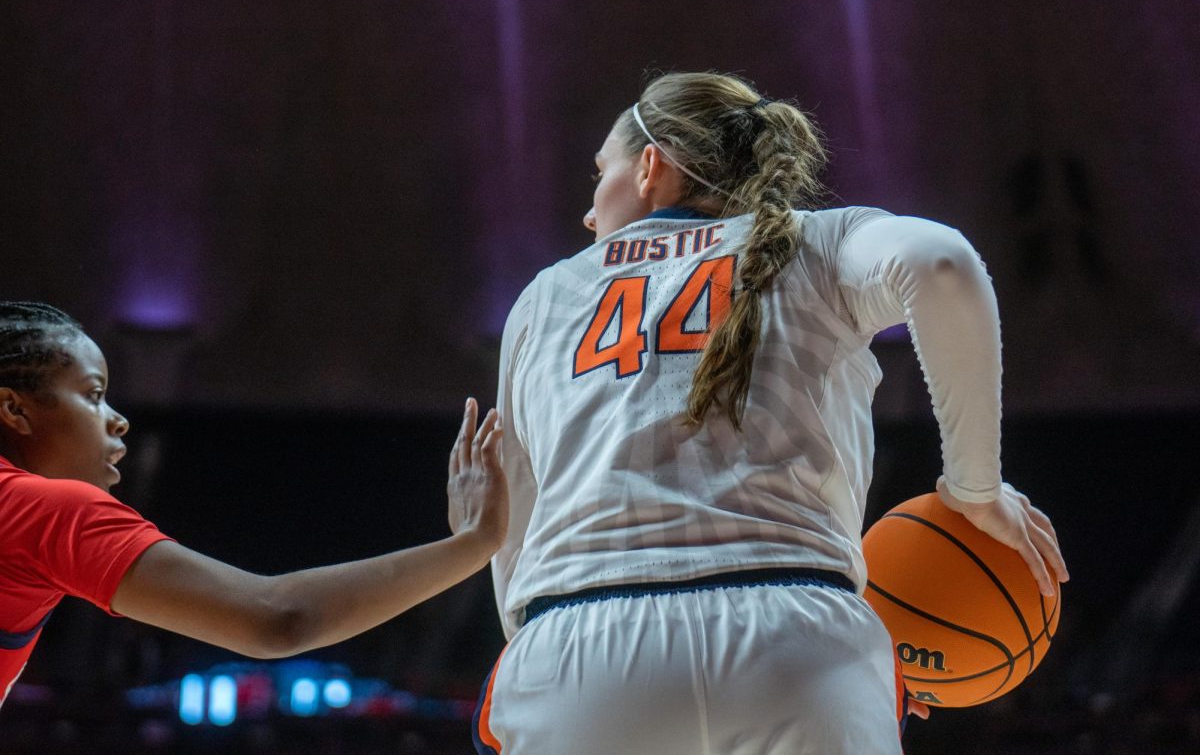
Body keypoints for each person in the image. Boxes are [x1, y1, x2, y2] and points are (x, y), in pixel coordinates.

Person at [473, 72, 1069, 754]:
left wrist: (546, 657)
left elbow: (515, 531)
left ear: (650, 167)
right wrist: (974, 491)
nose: (588, 212)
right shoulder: (815, 241)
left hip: (577, 652)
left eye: (597, 172)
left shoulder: (545, 295)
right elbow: (941, 265)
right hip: (796, 636)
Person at [0, 301, 508, 708]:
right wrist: (472, 544)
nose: (117, 420)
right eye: (93, 395)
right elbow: (277, 617)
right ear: (14, 409)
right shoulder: (44, 508)